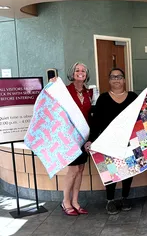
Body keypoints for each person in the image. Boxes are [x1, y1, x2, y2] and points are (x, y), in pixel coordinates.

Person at [86, 68, 138, 214]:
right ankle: (110, 200)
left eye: (119, 76)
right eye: (113, 77)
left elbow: (143, 114)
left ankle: (125, 197)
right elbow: (95, 122)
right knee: (111, 171)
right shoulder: (102, 99)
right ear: (109, 80)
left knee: (128, 170)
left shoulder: (133, 97)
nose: (116, 79)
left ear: (124, 80)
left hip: (128, 141)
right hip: (108, 142)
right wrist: (91, 140)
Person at [58, 63, 92, 216]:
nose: (80, 73)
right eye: (77, 70)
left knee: (80, 169)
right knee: (72, 170)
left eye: (83, 71)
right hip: (69, 136)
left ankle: (75, 201)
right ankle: (65, 201)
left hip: (84, 136)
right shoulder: (65, 90)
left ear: (86, 74)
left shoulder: (89, 92)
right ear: (72, 73)